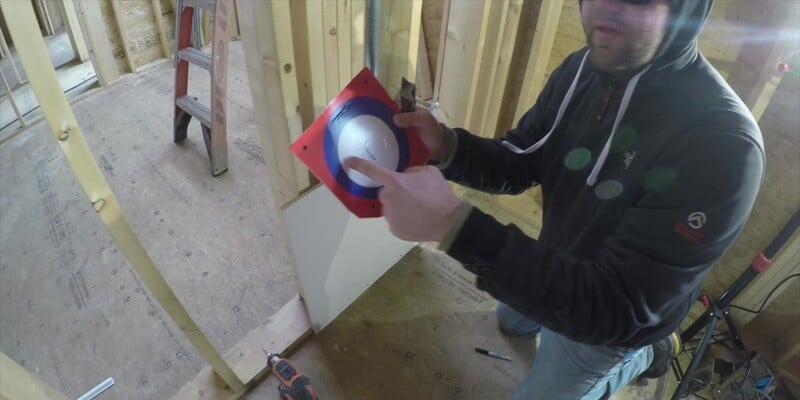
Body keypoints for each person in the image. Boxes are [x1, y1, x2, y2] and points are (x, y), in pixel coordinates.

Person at [346, 0, 764, 398]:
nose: (606, 8)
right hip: (555, 256)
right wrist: (447, 147)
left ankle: (647, 354)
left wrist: (455, 227)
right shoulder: (581, 69)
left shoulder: (723, 146)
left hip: (615, 319)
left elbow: (613, 306)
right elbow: (519, 161)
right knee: (510, 321)